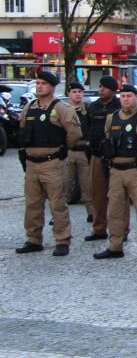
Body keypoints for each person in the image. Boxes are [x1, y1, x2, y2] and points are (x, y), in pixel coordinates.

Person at [15, 71, 82, 256]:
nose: (39, 86)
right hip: (32, 164)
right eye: (37, 83)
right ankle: (33, 239)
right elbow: (22, 131)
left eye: (43, 83)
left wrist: (60, 151)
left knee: (57, 204)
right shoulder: (28, 108)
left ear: (53, 87)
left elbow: (74, 134)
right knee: (32, 205)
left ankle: (62, 240)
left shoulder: (62, 108)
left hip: (53, 164)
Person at [93, 84, 137, 263]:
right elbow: (108, 140)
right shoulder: (112, 118)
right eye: (122, 96)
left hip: (136, 171)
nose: (125, 99)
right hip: (116, 171)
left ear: (136, 97)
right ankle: (114, 246)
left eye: (129, 96)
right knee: (115, 211)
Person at [85, 75, 121, 242]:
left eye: (105, 87)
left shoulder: (120, 106)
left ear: (113, 90)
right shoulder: (92, 107)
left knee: (118, 197)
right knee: (97, 195)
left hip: (116, 157)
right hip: (97, 155)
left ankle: (121, 231)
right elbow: (85, 130)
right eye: (100, 86)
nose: (101, 89)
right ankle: (99, 229)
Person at [65, 81, 93, 222]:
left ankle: (92, 213)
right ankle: (60, 214)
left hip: (83, 151)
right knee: (65, 184)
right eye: (74, 92)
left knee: (87, 184)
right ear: (69, 93)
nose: (77, 94)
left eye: (80, 92)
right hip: (67, 151)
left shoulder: (87, 109)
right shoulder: (63, 109)